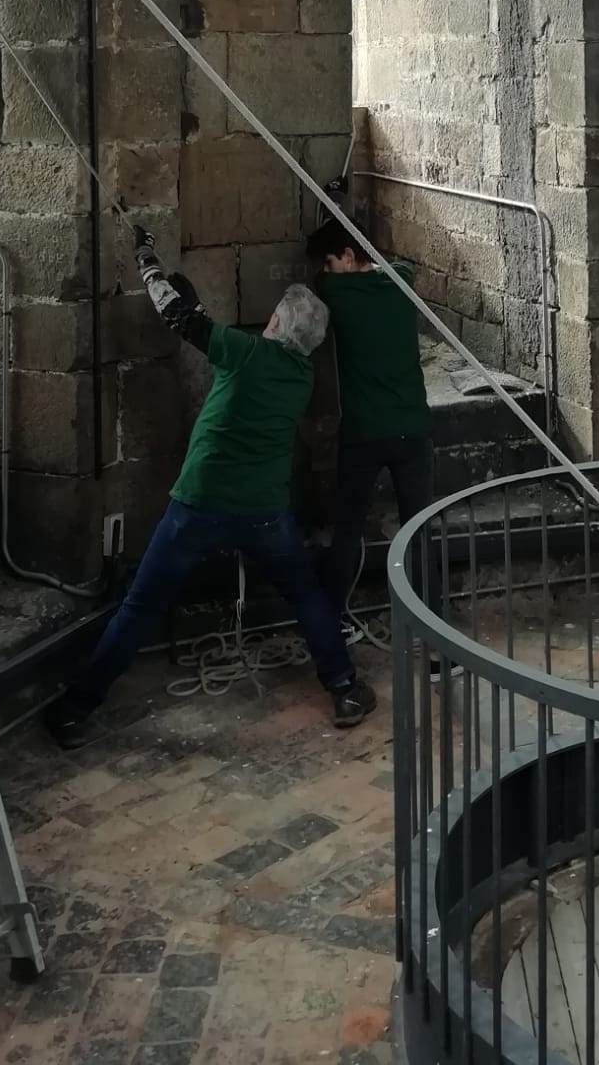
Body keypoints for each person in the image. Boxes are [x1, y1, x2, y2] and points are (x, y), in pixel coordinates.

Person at [44, 229, 376, 749]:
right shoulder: (300, 377)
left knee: (140, 606)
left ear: (274, 324)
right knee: (305, 593)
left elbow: (179, 320)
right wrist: (193, 300)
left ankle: (76, 709)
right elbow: (202, 326)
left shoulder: (243, 353)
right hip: (265, 512)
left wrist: (147, 259)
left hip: (198, 503)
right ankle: (344, 687)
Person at [305, 218, 436, 617]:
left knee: (346, 531)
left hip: (363, 433)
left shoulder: (335, 295)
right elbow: (393, 266)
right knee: (420, 532)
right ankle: (434, 631)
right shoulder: (402, 282)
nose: (324, 272)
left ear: (347, 256)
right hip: (412, 428)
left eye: (329, 261)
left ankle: (332, 621)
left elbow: (326, 282)